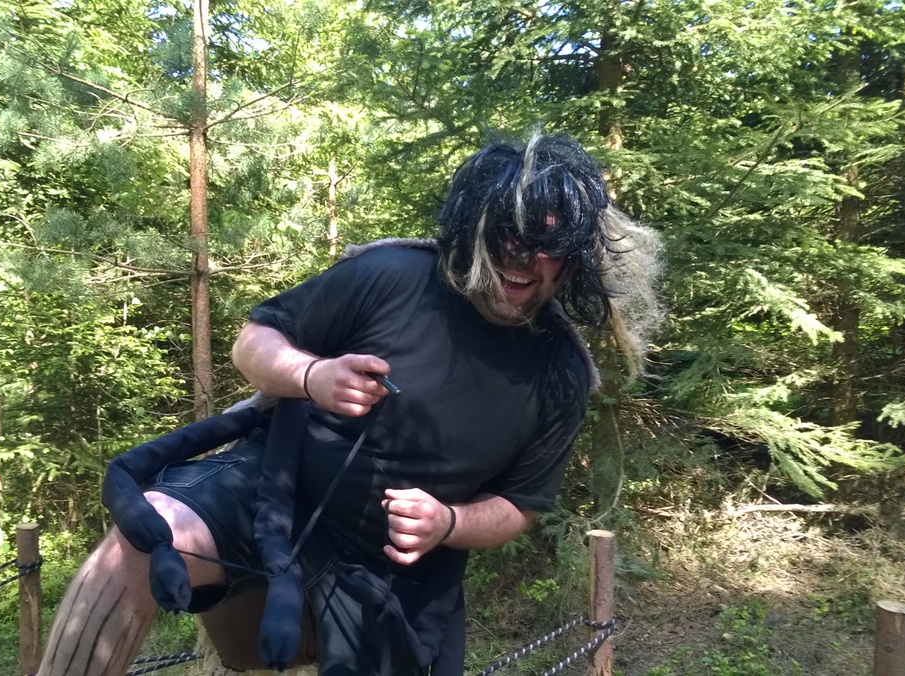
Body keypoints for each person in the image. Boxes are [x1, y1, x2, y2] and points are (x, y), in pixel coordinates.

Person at [37, 132, 663, 676]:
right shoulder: (391, 275)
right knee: (139, 541)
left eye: (547, 244)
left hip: (400, 573)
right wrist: (311, 375)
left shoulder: (561, 373)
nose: (520, 260)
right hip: (274, 486)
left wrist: (447, 522)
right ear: (476, 227)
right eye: (506, 235)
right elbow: (252, 342)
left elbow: (519, 506)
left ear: (576, 257)